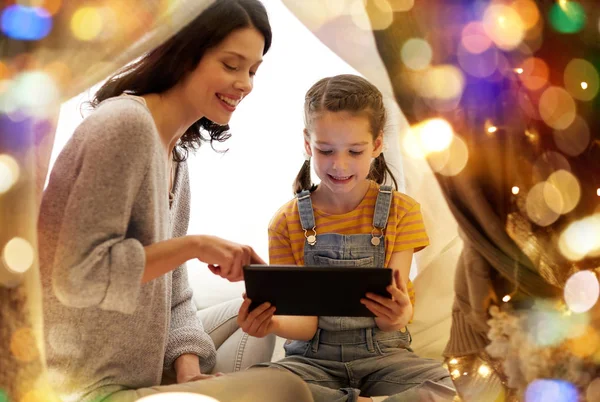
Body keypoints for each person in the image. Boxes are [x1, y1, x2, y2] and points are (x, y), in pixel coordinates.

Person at [37, 1, 313, 401]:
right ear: (186, 54)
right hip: (80, 386)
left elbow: (175, 294)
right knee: (288, 388)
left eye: (253, 70)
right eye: (231, 65)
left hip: (139, 368)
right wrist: (194, 246)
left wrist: (188, 370)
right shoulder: (124, 127)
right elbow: (77, 276)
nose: (246, 84)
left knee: (253, 323)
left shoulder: (174, 157)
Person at [237, 74, 456, 402]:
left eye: (355, 151)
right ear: (308, 144)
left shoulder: (402, 211)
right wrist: (269, 324)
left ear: (377, 145)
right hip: (311, 362)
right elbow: (305, 325)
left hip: (386, 357)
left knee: (463, 386)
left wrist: (399, 315)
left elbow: (395, 317)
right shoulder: (286, 222)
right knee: (254, 387)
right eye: (326, 151)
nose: (339, 165)